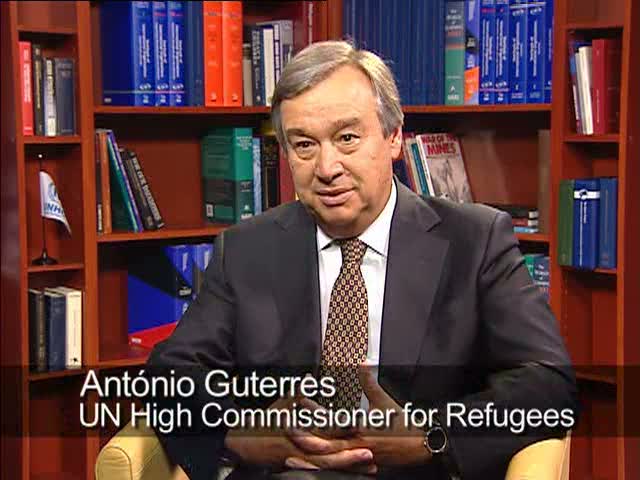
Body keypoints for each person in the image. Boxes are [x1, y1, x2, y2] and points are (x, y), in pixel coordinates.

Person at [146, 40, 577, 480]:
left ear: (394, 137)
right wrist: (241, 433)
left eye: (347, 138)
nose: (327, 167)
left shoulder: (475, 241)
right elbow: (171, 374)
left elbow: (547, 381)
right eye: (304, 145)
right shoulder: (246, 249)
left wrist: (431, 436)